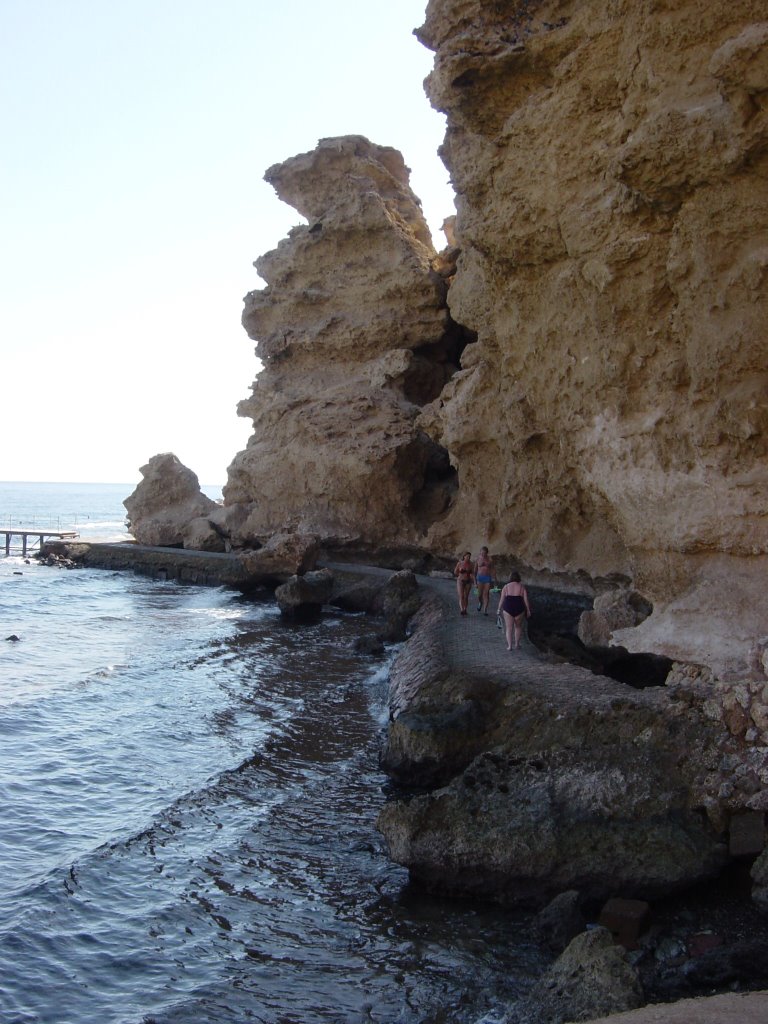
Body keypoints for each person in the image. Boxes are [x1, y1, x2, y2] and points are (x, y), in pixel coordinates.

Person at [497, 571, 531, 650]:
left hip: (508, 608)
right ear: (519, 577)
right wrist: (528, 610)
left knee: (509, 628)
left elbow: (501, 599)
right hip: (519, 608)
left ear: (510, 578)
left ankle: (509, 646)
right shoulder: (522, 587)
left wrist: (498, 609)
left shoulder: (506, 587)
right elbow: (526, 600)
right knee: (518, 627)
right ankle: (517, 644)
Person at [474, 546, 494, 615]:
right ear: (480, 552)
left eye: (484, 553)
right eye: (482, 552)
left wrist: (494, 579)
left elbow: (492, 569)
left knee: (486, 594)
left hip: (487, 577)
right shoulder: (478, 559)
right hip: (480, 577)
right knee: (479, 595)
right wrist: (474, 581)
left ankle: (485, 610)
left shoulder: (490, 559)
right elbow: (475, 570)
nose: (483, 554)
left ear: (487, 553)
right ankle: (480, 602)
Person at [454, 551, 474, 616]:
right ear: (464, 556)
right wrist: (460, 575)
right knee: (461, 596)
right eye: (467, 556)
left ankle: (465, 609)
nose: (468, 558)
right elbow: (455, 572)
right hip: (460, 580)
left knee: (466, 596)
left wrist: (474, 581)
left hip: (468, 581)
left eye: (469, 556)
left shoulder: (471, 564)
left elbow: (473, 573)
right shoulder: (459, 563)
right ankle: (462, 609)